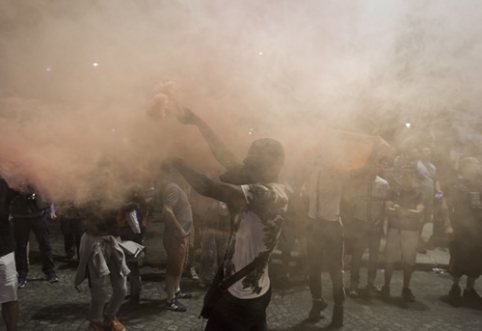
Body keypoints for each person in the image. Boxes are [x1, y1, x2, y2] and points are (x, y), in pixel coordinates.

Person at [164, 107, 288, 331]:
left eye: (252, 164)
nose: (245, 168)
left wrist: (178, 162)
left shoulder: (269, 194)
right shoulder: (264, 183)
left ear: (270, 166)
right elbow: (223, 154)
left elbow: (208, 187)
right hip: (254, 290)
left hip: (241, 295)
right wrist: (198, 121)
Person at [306, 141, 381, 326]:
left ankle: (338, 311)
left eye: (332, 157)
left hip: (332, 227)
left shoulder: (341, 175)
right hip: (315, 225)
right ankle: (317, 304)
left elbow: (365, 169)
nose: (328, 160)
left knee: (335, 272)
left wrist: (374, 151)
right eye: (325, 156)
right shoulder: (314, 171)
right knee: (312, 270)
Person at [74, 203, 129, 331]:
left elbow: (131, 204)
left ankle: (110, 316)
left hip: (114, 240)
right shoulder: (87, 188)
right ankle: (95, 323)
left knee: (122, 288)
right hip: (94, 241)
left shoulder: (116, 187)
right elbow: (79, 209)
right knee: (100, 291)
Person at [440, 157, 482, 308]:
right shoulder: (455, 184)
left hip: (478, 229)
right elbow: (445, 205)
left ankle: (469, 291)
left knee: (476, 260)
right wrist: (447, 225)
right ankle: (455, 289)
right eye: (473, 165)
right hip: (460, 228)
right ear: (464, 167)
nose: (476, 168)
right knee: (457, 258)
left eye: (477, 165)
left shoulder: (480, 183)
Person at [381, 166, 424, 302]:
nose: (406, 178)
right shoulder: (394, 191)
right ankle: (386, 286)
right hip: (395, 228)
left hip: (411, 230)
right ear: (400, 177)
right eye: (404, 176)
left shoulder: (419, 193)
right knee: (389, 259)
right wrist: (409, 212)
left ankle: (405, 288)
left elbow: (419, 213)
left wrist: (402, 211)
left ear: (413, 178)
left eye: (409, 176)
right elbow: (388, 209)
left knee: (409, 260)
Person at [348, 162, 390, 297]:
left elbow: (386, 205)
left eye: (375, 166)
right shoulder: (358, 182)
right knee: (357, 256)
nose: (372, 168)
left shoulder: (383, 184)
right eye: (370, 166)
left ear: (378, 167)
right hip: (360, 225)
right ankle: (353, 284)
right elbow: (351, 202)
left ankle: (370, 284)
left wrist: (381, 218)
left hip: (375, 226)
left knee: (374, 257)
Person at [160, 165, 194, 312]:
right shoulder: (172, 187)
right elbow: (167, 210)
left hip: (182, 234)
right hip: (175, 235)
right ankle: (170, 300)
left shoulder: (179, 187)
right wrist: (180, 229)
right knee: (173, 267)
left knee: (180, 265)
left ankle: (177, 290)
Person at [10, 186, 58, 287]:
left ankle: (49, 271)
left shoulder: (36, 173)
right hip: (20, 216)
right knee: (21, 246)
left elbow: (47, 191)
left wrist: (51, 209)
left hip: (39, 214)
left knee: (44, 244)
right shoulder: (14, 176)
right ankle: (22, 274)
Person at [117, 186, 148, 305]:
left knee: (133, 269)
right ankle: (134, 293)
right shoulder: (136, 206)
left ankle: (135, 295)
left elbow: (136, 228)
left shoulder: (130, 209)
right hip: (133, 239)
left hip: (131, 240)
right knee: (132, 268)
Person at [0, 178, 18, 331]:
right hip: (5, 249)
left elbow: (23, 186)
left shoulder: (4, 182)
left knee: (10, 296)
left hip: (4, 250)